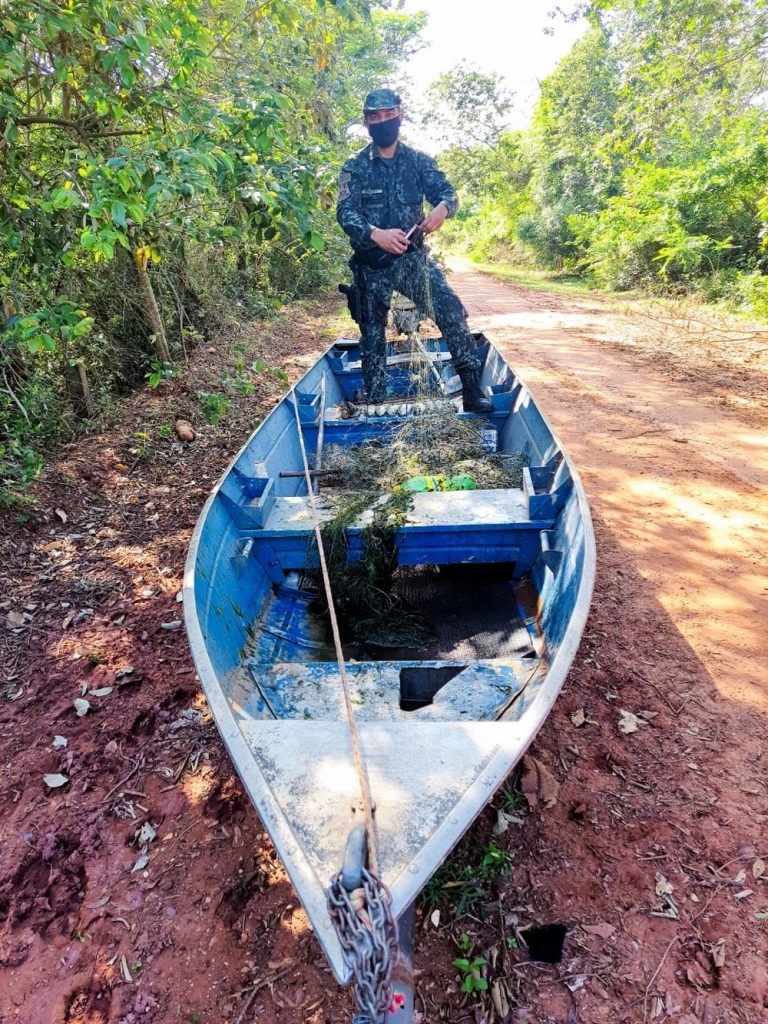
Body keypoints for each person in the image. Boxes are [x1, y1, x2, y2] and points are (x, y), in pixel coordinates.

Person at [336, 87, 493, 413]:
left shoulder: (419, 163)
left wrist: (442, 210)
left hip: (412, 261)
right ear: (366, 123)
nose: (382, 121)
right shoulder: (355, 168)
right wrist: (375, 233)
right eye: (374, 117)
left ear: (400, 117)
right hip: (370, 265)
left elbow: (448, 194)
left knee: (450, 307)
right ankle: (376, 408)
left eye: (388, 115)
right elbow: (345, 213)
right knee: (372, 336)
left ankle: (471, 388)